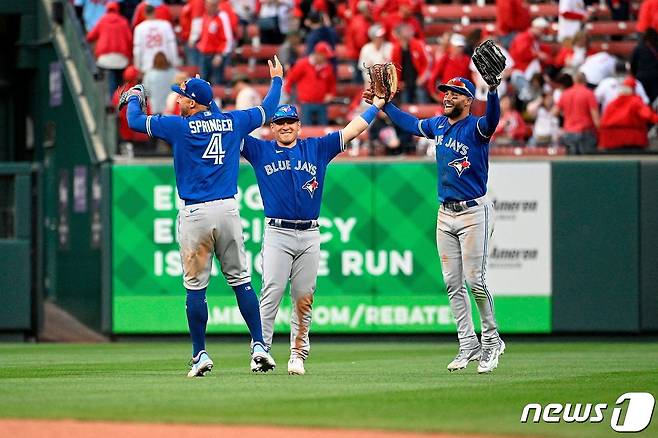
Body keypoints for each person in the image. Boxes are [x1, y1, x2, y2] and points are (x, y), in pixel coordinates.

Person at [124, 56, 285, 377]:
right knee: (241, 282)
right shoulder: (234, 120)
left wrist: (133, 96)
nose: (178, 99)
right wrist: (278, 79)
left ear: (195, 103)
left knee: (196, 288)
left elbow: (134, 121)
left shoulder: (179, 126)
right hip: (227, 209)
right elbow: (269, 109)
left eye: (183, 96)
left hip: (195, 213)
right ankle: (259, 347)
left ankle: (200, 354)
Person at [240, 98, 386, 375]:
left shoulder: (316, 147)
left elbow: (352, 130)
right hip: (277, 232)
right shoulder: (260, 150)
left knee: (303, 296)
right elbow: (229, 131)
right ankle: (261, 350)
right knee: (271, 292)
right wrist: (208, 104)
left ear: (299, 125)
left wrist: (376, 106)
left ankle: (298, 355)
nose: (285, 127)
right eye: (279, 123)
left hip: (309, 234)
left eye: (290, 122)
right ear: (271, 127)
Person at [374, 77, 504, 373]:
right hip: (446, 213)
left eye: (455, 93)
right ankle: (467, 343)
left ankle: (492, 339)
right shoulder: (439, 125)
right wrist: (386, 106)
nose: (447, 97)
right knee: (452, 283)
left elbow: (493, 120)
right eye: (445, 92)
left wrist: (493, 91)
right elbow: (410, 124)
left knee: (476, 281)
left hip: (474, 212)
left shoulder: (476, 127)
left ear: (468, 100)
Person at [86, 2, 132, 100]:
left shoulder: (103, 20)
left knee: (110, 78)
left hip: (105, 58)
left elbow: (90, 36)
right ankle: (120, 101)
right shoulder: (123, 21)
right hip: (122, 58)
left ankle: (112, 101)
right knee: (120, 80)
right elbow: (130, 39)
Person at [598, 76, 658, 153]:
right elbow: (647, 115)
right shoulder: (636, 102)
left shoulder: (612, 103)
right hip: (632, 140)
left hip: (611, 140)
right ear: (633, 89)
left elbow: (603, 122)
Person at [284, 42, 336, 125]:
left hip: (321, 103)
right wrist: (288, 92)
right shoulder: (303, 64)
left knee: (322, 128)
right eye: (324, 56)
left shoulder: (327, 67)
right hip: (305, 103)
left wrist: (330, 94)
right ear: (318, 54)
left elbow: (332, 84)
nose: (326, 58)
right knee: (306, 128)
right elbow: (291, 78)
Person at [552, 72, 599, 155]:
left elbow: (554, 112)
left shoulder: (565, 93)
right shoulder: (589, 93)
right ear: (585, 81)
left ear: (574, 81)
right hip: (586, 133)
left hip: (569, 133)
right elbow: (596, 120)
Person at [133, 4, 178, 73]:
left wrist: (137, 67)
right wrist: (174, 62)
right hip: (165, 64)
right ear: (154, 12)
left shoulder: (139, 28)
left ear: (144, 13)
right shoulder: (165, 25)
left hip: (147, 65)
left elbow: (137, 50)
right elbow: (172, 45)